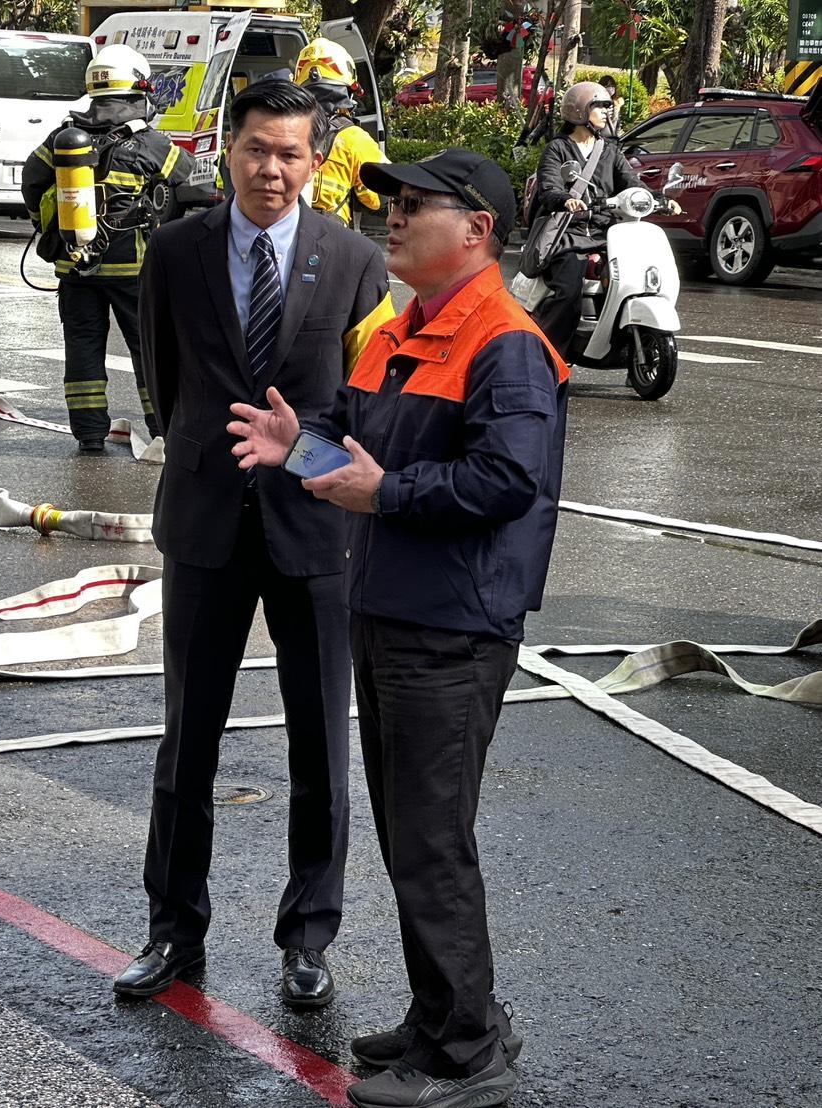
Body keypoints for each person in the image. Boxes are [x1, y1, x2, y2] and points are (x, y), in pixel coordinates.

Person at [227, 148, 567, 1108]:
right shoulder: (399, 329)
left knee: (429, 839)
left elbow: (508, 483)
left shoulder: (503, 341)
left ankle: (466, 1051)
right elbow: (346, 435)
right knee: (407, 829)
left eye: (415, 205)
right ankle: (436, 1016)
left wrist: (386, 492)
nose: (394, 216)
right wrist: (300, 448)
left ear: (476, 231)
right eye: (393, 202)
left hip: (451, 627)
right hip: (389, 609)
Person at [112, 79, 394, 1008]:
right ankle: (171, 931)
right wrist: (208, 458)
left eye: (290, 154)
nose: (270, 169)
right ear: (227, 150)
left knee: (319, 740)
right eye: (255, 149)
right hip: (202, 522)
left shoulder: (353, 260)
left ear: (316, 163)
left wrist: (297, 457)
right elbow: (161, 380)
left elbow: (364, 419)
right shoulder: (177, 248)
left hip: (314, 526)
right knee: (187, 737)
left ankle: (307, 937)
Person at [21, 44, 195, 452]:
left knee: (82, 350)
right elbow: (187, 178)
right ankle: (162, 432)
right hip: (134, 270)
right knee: (148, 350)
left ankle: (89, 435)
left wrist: (50, 229)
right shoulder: (149, 142)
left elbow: (31, 180)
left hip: (75, 266)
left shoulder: (64, 138)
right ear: (138, 87)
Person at [529, 80, 678, 361]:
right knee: (568, 292)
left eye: (608, 107)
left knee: (637, 278)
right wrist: (565, 199)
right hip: (568, 235)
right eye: (599, 106)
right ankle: (549, 357)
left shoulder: (609, 150)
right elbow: (548, 186)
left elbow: (632, 183)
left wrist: (659, 199)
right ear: (579, 111)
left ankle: (625, 339)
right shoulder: (558, 149)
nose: (606, 112)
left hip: (605, 234)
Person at [294, 38, 385, 226]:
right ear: (347, 90)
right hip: (330, 241)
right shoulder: (355, 139)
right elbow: (377, 200)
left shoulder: (280, 129)